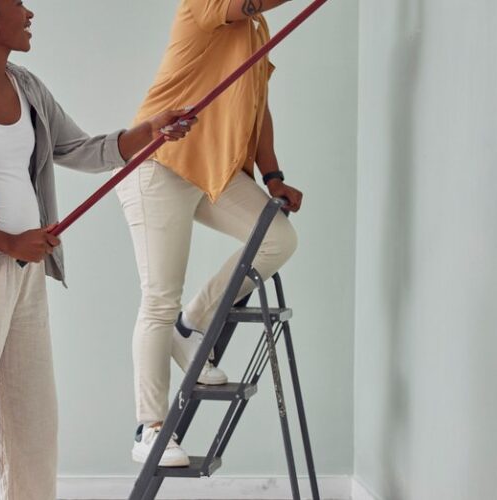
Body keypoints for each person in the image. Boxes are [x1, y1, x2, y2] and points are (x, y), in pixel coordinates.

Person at [0, 0, 196, 497]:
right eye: (17, 4)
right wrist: (8, 241)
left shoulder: (29, 88)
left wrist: (148, 132)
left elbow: (78, 149)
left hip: (24, 280)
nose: (29, 12)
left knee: (34, 433)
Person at [117, 0, 305, 467]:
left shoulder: (256, 30)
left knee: (278, 238)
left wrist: (273, 174)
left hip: (210, 170)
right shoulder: (205, 4)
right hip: (159, 165)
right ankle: (149, 429)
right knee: (159, 297)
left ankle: (191, 325)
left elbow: (259, 107)